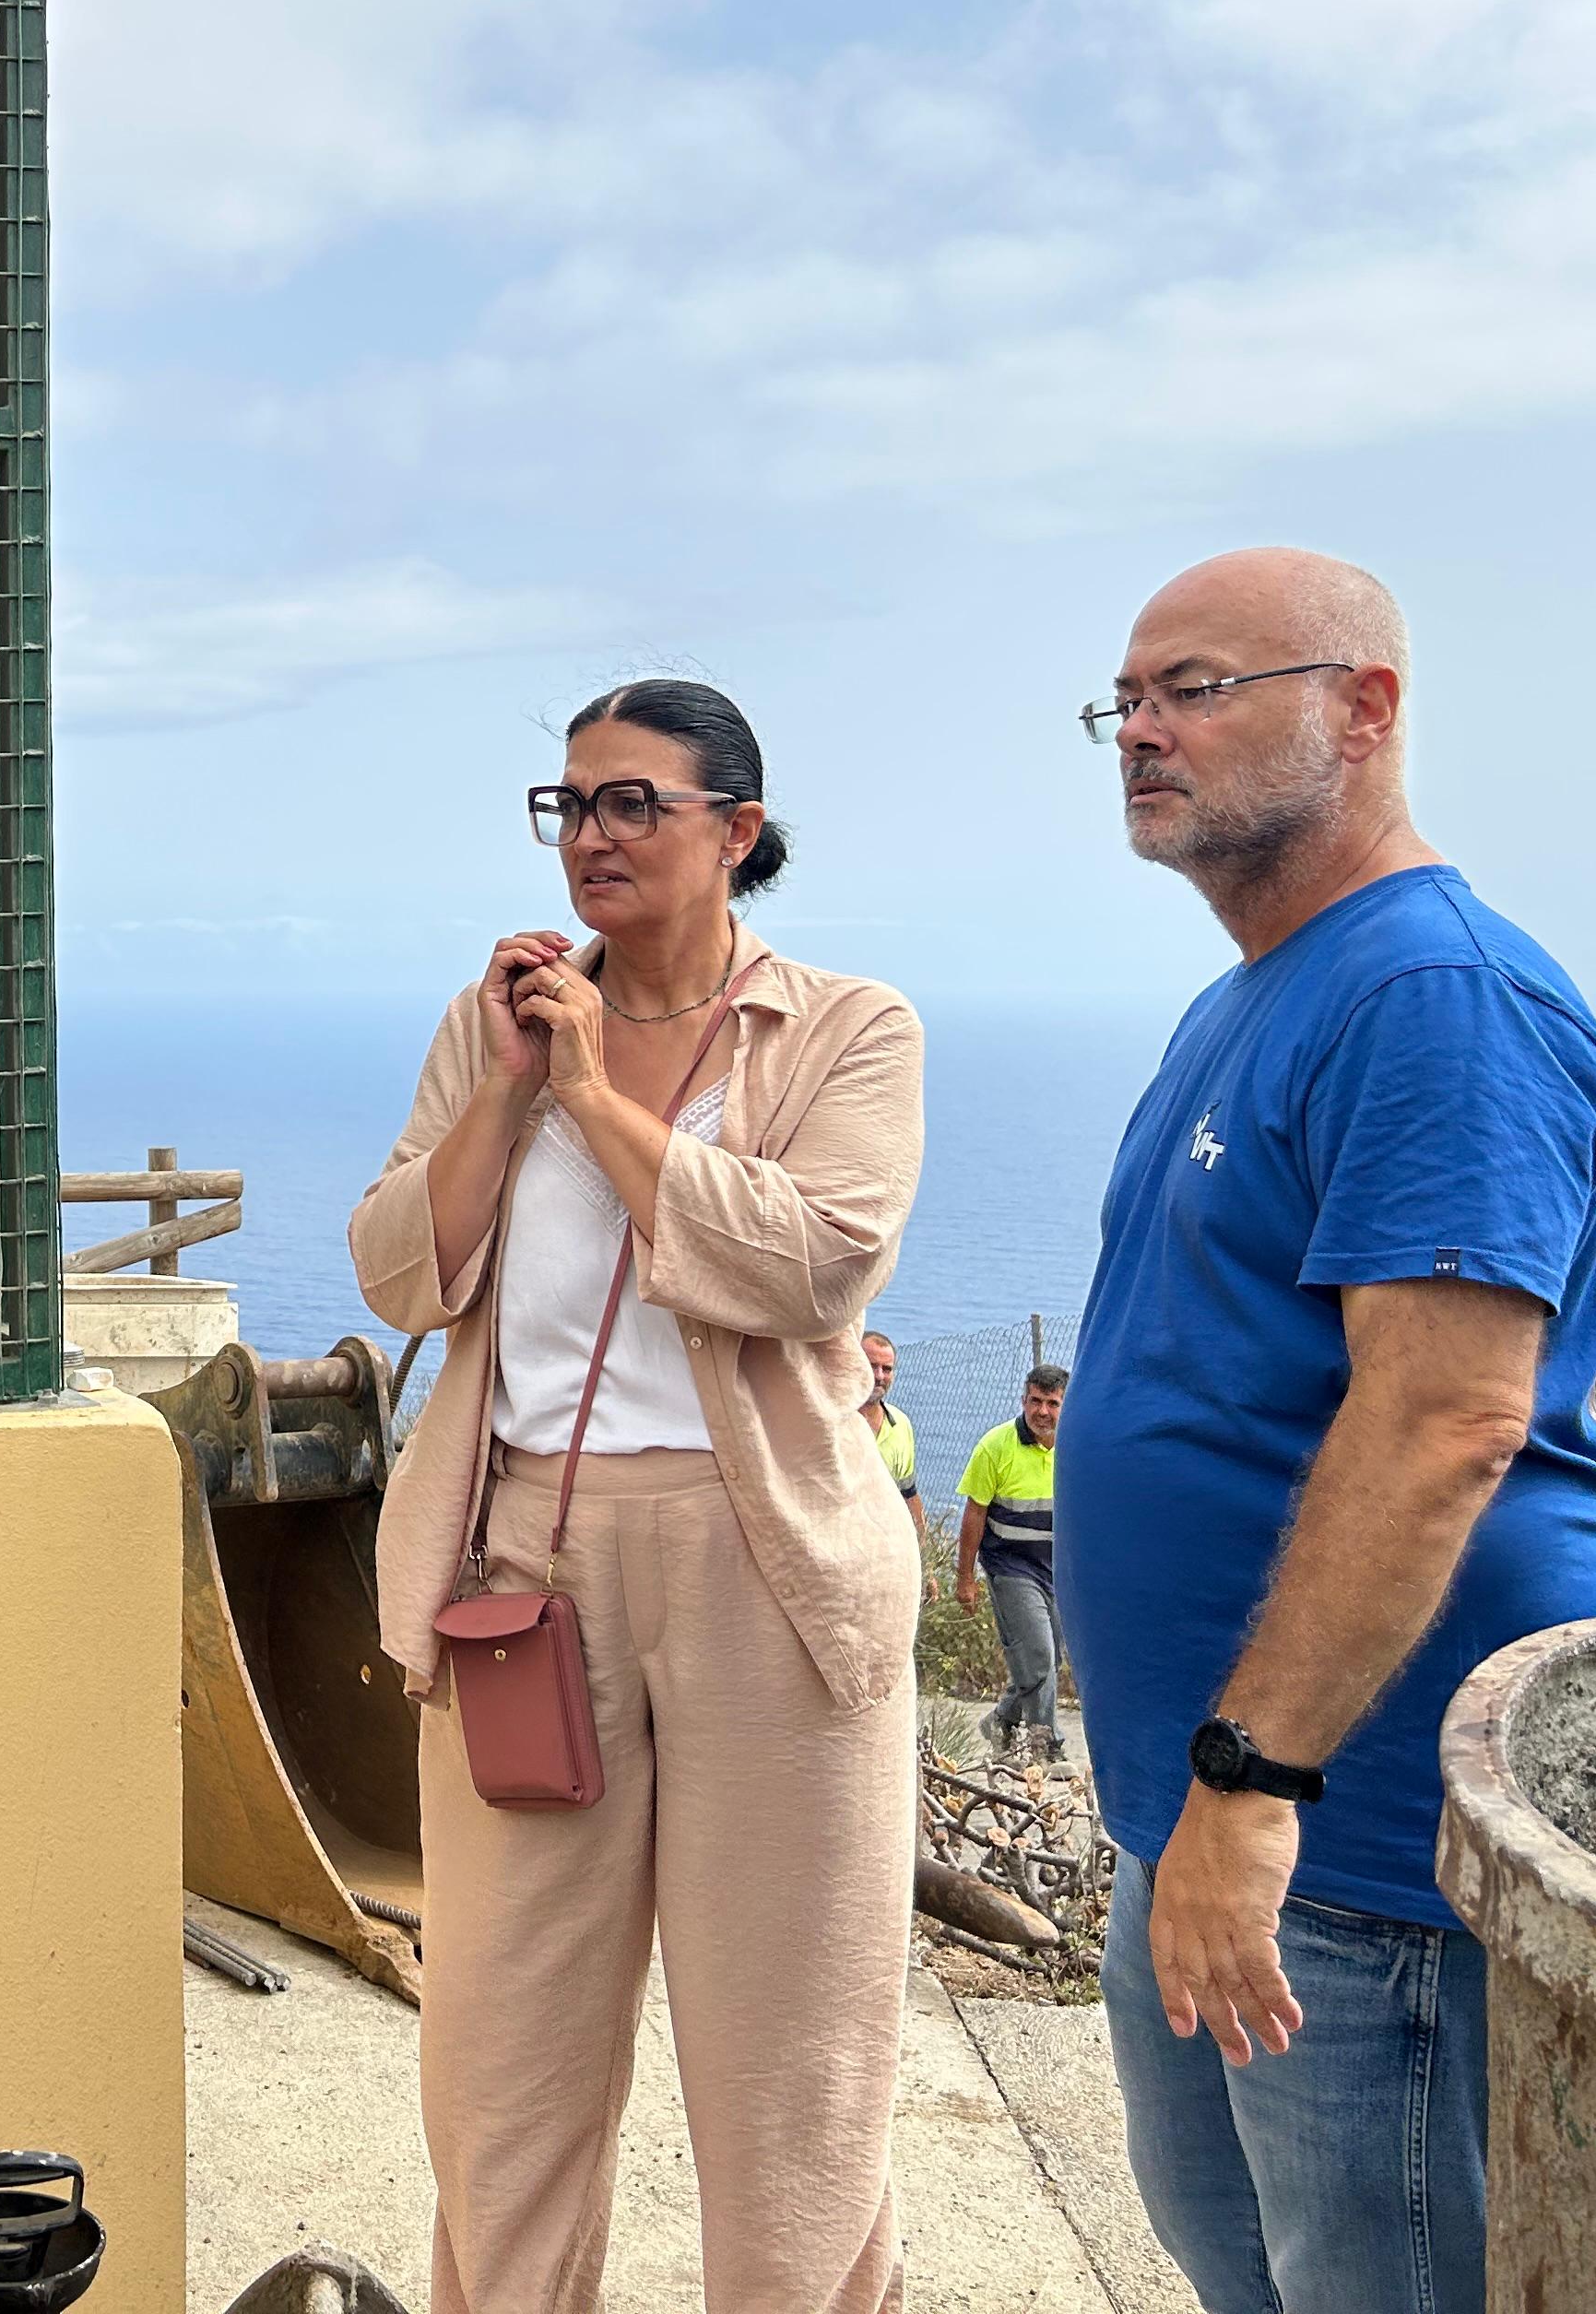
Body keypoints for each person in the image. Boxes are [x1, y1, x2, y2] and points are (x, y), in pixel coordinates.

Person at [1052, 549, 1596, 2314]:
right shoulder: (1252, 994)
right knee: (1246, 2272)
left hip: (1352, 1843)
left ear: (1363, 707)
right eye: (1123, 698)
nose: (1140, 728)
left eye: (1194, 687)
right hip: (1213, 1811)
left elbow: (1448, 1414)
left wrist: (1252, 1782)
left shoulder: (1434, 996)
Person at [350, 678, 923, 2314]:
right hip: (527, 1555)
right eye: (569, 804)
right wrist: (508, 1088)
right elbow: (395, 1271)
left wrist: (597, 1098)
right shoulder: (497, 1023)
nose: (589, 835)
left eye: (630, 803)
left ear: (736, 831)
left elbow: (815, 1267)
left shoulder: (846, 1026)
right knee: (500, 2051)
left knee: (792, 2067)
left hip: (767, 1558)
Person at [956, 1364, 1068, 1759]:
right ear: (1023, 1400)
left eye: (1052, 1403)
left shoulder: (1077, 1448)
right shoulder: (995, 1446)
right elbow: (974, 1514)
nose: (1042, 1412)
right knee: (1038, 1655)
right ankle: (1045, 1747)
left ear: (1065, 1406)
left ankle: (1002, 1720)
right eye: (1035, 1401)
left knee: (1051, 1657)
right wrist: (965, 1577)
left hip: (1058, 1570)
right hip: (1010, 1567)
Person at [860, 1328, 926, 1544]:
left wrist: (922, 1549)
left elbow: (909, 1493)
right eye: (871, 1366)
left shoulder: (900, 1424)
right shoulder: (830, 1420)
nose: (879, 1376)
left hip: (884, 1543)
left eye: (886, 1369)